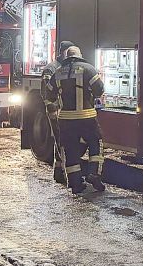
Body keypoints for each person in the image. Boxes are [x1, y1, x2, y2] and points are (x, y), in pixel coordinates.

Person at [45, 46, 107, 195]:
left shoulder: (58, 72)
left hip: (65, 120)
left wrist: (54, 109)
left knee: (70, 150)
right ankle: (93, 173)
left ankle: (75, 184)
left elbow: (49, 94)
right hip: (87, 117)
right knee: (95, 143)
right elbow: (99, 89)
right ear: (80, 55)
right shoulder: (88, 69)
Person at [41, 40, 75, 185]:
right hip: (55, 110)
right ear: (63, 52)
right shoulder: (51, 69)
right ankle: (65, 174)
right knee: (61, 141)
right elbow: (46, 93)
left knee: (60, 141)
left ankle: (58, 171)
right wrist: (52, 110)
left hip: (64, 110)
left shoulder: (66, 66)